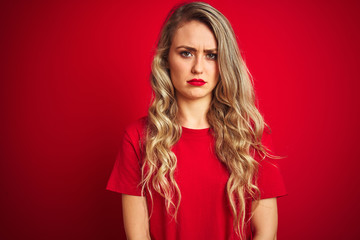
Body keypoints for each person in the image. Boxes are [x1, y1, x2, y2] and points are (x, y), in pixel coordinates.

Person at [107, 2, 286, 239]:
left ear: (224, 63)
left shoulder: (252, 136)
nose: (198, 67)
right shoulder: (138, 137)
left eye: (211, 55)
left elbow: (266, 232)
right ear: (166, 59)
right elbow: (138, 236)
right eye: (186, 53)